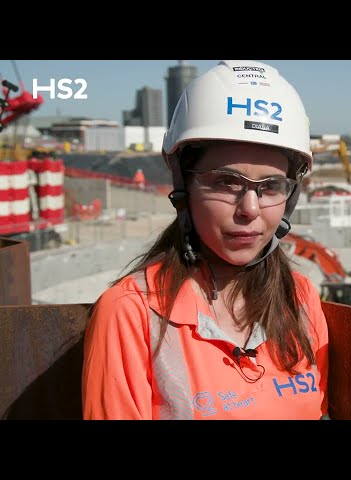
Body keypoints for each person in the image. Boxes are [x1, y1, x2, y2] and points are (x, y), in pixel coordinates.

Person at [82, 60, 329, 420]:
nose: (250, 209)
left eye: (271, 186)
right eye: (226, 182)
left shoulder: (300, 297)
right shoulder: (131, 313)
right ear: (186, 186)